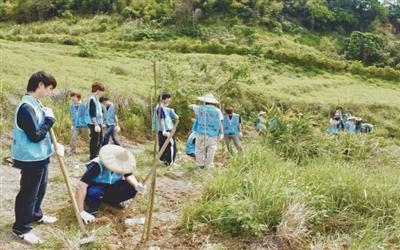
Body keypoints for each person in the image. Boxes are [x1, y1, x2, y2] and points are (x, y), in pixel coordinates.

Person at [11, 71, 63, 244]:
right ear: (40, 85)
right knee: (28, 193)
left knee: (40, 189)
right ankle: (21, 229)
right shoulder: (26, 107)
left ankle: (35, 215)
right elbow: (35, 135)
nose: (50, 92)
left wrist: (56, 145)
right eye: (49, 88)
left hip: (41, 156)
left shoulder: (36, 103)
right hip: (30, 159)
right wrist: (49, 120)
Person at [76, 145, 146, 223]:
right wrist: (81, 211)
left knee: (132, 188)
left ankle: (111, 201)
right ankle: (92, 207)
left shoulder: (123, 164)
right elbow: (81, 186)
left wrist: (136, 185)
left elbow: (128, 175)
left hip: (112, 187)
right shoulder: (97, 165)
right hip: (96, 187)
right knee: (94, 192)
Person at [190, 93, 224, 169]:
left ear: (204, 102)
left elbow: (191, 106)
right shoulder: (217, 111)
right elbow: (220, 122)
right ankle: (209, 165)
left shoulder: (200, 108)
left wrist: (195, 105)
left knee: (199, 149)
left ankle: (200, 164)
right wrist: (221, 133)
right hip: (213, 133)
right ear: (213, 102)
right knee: (211, 149)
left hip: (201, 132)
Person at [151, 92, 179, 166]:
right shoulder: (160, 108)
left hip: (161, 130)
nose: (169, 101)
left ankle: (163, 160)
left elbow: (168, 111)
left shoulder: (160, 107)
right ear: (164, 99)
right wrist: (164, 130)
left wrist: (174, 114)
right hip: (165, 130)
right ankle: (170, 163)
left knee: (163, 145)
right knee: (171, 145)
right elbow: (162, 119)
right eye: (168, 99)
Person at [86, 82, 105, 160]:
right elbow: (92, 113)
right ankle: (93, 156)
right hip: (93, 122)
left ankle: (97, 154)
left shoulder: (96, 99)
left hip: (98, 122)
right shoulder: (91, 99)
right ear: (97, 90)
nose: (101, 93)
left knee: (100, 139)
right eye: (101, 91)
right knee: (95, 139)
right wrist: (96, 124)